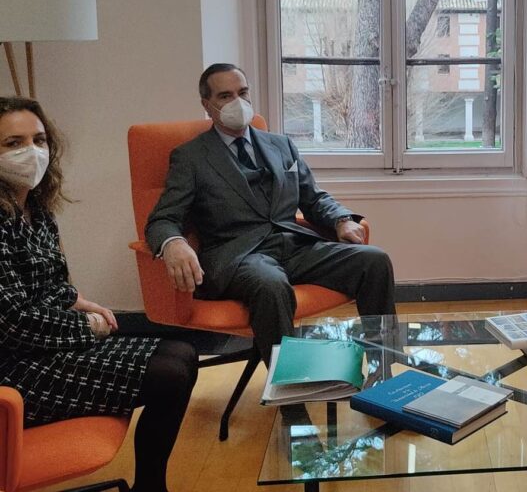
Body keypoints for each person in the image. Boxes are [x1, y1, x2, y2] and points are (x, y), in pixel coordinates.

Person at [0, 97, 196, 492]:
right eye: (13, 143)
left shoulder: (36, 208)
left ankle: (150, 486)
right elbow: (13, 323)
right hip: (13, 371)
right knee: (170, 375)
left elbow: (51, 281)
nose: (32, 152)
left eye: (39, 140)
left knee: (182, 353)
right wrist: (87, 327)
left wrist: (78, 301)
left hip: (45, 346)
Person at [145, 63, 396, 364]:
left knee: (374, 261)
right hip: (239, 257)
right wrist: (173, 243)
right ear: (207, 106)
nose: (237, 102)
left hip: (295, 247)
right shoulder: (191, 157)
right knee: (270, 285)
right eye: (225, 96)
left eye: (242, 92)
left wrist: (341, 219)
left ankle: (384, 367)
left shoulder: (282, 145)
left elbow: (313, 197)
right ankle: (290, 387)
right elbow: (162, 219)